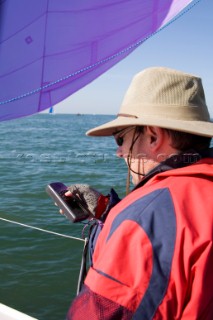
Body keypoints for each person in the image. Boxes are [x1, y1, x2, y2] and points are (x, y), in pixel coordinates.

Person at [66, 67, 213, 319]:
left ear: (153, 136)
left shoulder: (142, 220)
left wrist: (128, 219)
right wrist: (108, 213)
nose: (119, 152)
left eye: (120, 139)